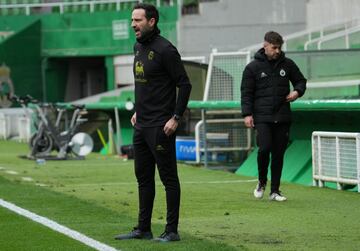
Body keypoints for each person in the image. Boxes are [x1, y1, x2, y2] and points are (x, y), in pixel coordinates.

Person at [115, 3, 191, 242]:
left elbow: (185, 84)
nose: (133, 25)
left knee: (168, 179)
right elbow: (145, 85)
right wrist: (138, 110)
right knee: (143, 177)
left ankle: (172, 231)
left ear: (152, 21)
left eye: (137, 20)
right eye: (132, 20)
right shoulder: (137, 47)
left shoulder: (166, 50)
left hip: (161, 126)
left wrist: (175, 118)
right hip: (141, 124)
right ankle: (143, 228)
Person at [240, 31, 306, 202]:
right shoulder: (252, 68)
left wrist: (297, 92)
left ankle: (275, 191)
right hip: (262, 116)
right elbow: (246, 93)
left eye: (279, 48)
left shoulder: (288, 64)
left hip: (283, 115)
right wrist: (247, 114)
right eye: (274, 47)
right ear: (265, 45)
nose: (277, 51)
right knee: (264, 149)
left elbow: (301, 81)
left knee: (278, 153)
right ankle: (262, 182)